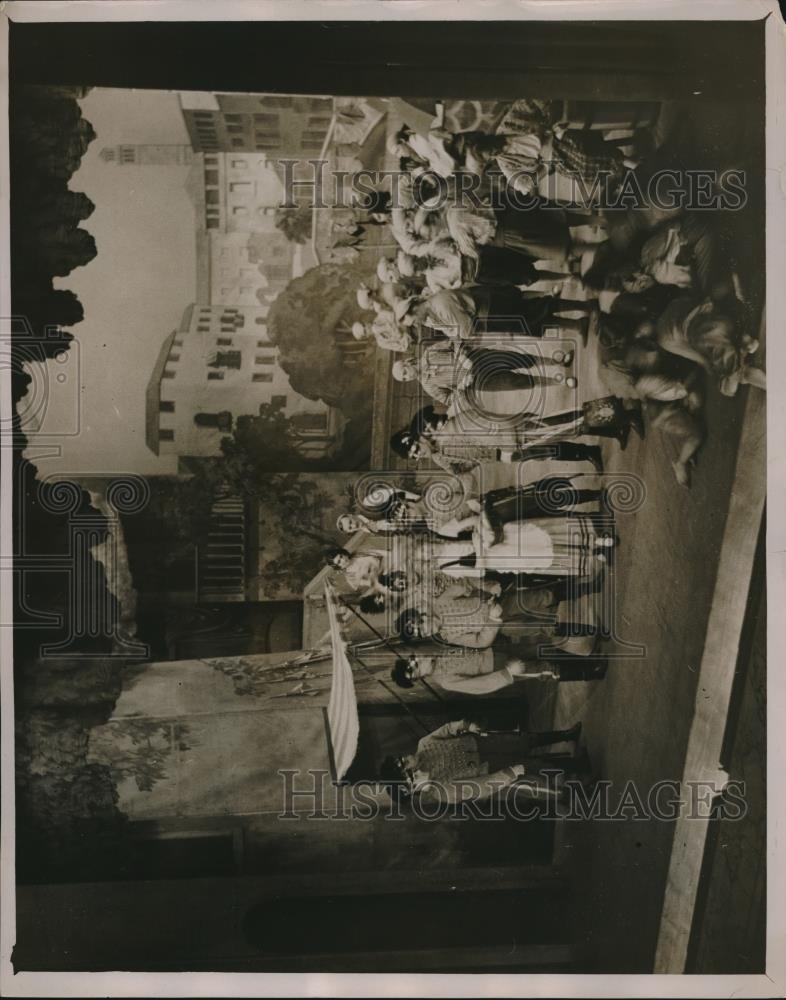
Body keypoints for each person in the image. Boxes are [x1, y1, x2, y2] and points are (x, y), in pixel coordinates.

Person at [380, 717, 586, 805]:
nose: (408, 759)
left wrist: (465, 725)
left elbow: (447, 729)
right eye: (407, 768)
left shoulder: (424, 744)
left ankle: (568, 740)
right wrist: (509, 774)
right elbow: (482, 787)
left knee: (525, 741)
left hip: (482, 745)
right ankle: (574, 794)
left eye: (402, 758)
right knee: (534, 770)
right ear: (413, 788)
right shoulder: (442, 792)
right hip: (490, 771)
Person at [391, 340, 575, 409]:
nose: (408, 377)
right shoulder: (428, 386)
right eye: (404, 378)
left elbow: (454, 342)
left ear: (407, 363)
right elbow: (449, 400)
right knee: (518, 382)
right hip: (479, 382)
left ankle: (557, 361)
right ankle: (559, 381)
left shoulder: (429, 352)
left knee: (519, 360)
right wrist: (462, 386)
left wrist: (462, 357)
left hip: (477, 359)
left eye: (405, 372)